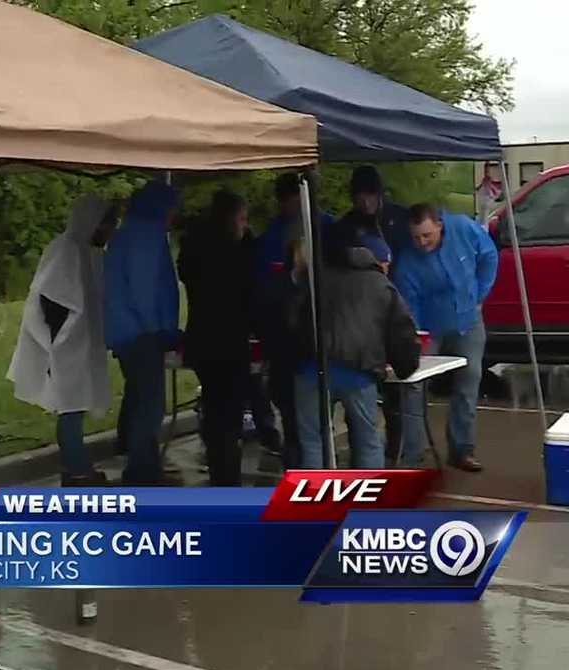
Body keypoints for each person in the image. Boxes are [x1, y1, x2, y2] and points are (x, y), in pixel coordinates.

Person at [8, 195, 120, 487]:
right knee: (70, 406)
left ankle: (77, 467)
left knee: (75, 406)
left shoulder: (87, 251)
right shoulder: (66, 251)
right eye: (108, 223)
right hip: (66, 345)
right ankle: (78, 470)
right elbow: (51, 299)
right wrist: (56, 346)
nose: (111, 230)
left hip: (80, 343)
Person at [288, 232, 420, 469]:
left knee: (312, 441)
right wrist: (405, 366)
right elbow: (402, 331)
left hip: (311, 368)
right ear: (377, 260)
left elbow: (293, 319)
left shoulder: (317, 277)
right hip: (358, 372)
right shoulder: (380, 284)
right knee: (367, 441)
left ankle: (315, 500)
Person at [394, 204, 499, 472]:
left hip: (468, 321)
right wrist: (417, 340)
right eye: (416, 237)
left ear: (440, 225)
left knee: (469, 381)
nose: (422, 242)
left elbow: (489, 256)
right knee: (414, 385)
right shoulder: (407, 262)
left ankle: (462, 450)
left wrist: (480, 297)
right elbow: (409, 307)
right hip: (429, 328)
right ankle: (414, 455)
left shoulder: (463, 228)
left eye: (427, 235)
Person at [253, 173, 335, 467]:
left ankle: (318, 461)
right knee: (289, 404)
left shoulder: (327, 228)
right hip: (283, 336)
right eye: (286, 203)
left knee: (316, 408)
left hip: (319, 333)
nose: (291, 208)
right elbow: (262, 287)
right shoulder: (271, 238)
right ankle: (298, 462)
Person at [104, 180, 181, 485]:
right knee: (151, 405)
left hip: (124, 331)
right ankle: (141, 470)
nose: (175, 215)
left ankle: (138, 458)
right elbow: (144, 289)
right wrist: (159, 330)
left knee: (138, 397)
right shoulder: (146, 237)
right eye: (173, 208)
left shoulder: (125, 234)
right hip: (142, 334)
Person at [178, 190, 255, 486]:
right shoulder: (235, 252)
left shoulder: (195, 247)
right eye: (242, 219)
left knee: (214, 407)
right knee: (229, 411)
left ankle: (218, 466)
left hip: (202, 339)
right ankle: (227, 474)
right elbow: (246, 287)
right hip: (228, 340)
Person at [338, 166, 414, 463]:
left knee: (396, 395)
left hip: (395, 312)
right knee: (361, 395)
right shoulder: (345, 226)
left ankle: (396, 453)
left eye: (370, 196)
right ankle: (364, 456)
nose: (365, 203)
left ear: (379, 195)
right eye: (360, 197)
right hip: (361, 319)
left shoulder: (399, 219)